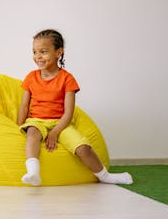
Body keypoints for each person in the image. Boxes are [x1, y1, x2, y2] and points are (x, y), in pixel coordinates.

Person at [17, 29, 133, 186]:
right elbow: (24, 106)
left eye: (43, 52)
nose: (38, 56)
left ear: (59, 52)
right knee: (32, 135)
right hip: (37, 121)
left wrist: (55, 132)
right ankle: (33, 172)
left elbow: (69, 112)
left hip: (61, 123)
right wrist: (17, 126)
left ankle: (105, 176)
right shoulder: (31, 77)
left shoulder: (67, 79)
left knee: (83, 148)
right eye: (35, 52)